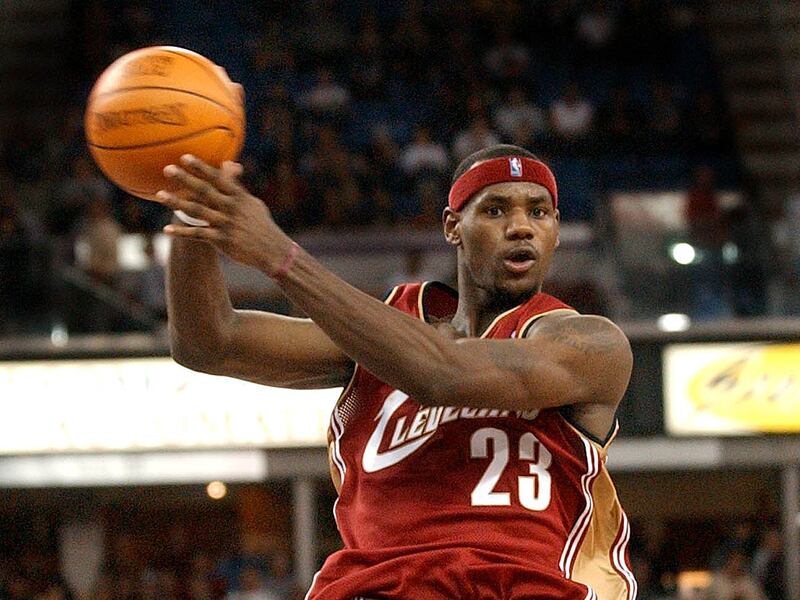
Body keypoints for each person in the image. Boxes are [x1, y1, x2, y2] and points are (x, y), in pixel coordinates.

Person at [153, 142, 635, 599]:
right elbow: (210, 343)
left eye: (538, 211)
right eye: (494, 210)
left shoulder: (591, 345)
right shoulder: (385, 331)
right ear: (452, 226)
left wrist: (280, 256)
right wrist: (195, 208)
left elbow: (441, 376)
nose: (520, 227)